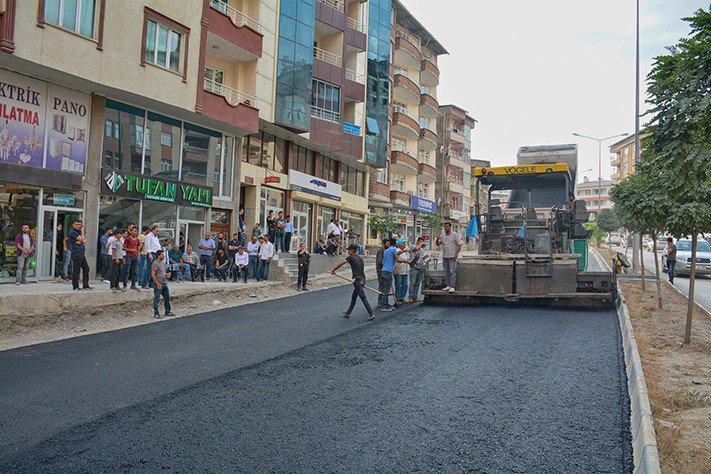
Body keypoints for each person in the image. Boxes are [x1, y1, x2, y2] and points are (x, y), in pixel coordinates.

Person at [331, 244, 375, 321]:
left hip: (357, 280)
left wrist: (333, 270)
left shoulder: (350, 257)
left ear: (352, 250)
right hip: (362, 279)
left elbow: (341, 264)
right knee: (354, 296)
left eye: (348, 250)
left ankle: (371, 313)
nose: (348, 251)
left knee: (362, 297)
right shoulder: (359, 257)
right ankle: (348, 313)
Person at [436, 222, 463, 293]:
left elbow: (460, 245)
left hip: (452, 256)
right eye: (444, 227)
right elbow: (438, 244)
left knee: (452, 271)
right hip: (445, 256)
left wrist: (456, 254)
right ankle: (447, 285)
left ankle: (452, 286)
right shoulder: (443, 236)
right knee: (446, 272)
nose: (445, 228)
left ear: (450, 227)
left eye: (447, 226)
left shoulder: (455, 235)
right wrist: (437, 239)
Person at [67, 220, 91, 290]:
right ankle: (75, 286)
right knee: (76, 270)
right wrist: (82, 233)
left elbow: (83, 241)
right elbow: (84, 240)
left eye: (79, 225)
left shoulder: (77, 232)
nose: (78, 226)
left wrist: (81, 240)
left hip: (81, 253)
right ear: (73, 225)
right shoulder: (73, 232)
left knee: (86, 268)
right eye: (76, 224)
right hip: (76, 253)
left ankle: (85, 285)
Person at [151, 249, 175, 319]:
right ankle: (156, 313)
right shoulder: (155, 263)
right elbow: (153, 275)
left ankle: (167, 311)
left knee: (167, 298)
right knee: (157, 299)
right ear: (158, 255)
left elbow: (161, 272)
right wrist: (157, 284)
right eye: (162, 255)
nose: (163, 256)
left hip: (164, 283)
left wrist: (167, 275)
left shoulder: (162, 263)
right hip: (159, 283)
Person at [408, 237, 428, 302]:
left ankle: (415, 296)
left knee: (417, 283)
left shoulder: (421, 249)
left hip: (420, 268)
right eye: (422, 242)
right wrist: (420, 244)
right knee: (412, 283)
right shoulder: (413, 246)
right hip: (414, 267)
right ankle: (410, 297)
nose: (422, 244)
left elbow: (421, 258)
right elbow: (416, 248)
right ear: (418, 241)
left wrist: (425, 257)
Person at [378, 238, 396, 311]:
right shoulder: (392, 250)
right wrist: (405, 261)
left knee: (386, 289)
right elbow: (397, 259)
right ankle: (383, 306)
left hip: (384, 271)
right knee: (385, 289)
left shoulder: (386, 251)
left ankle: (386, 304)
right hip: (387, 272)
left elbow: (383, 262)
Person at [393, 240, 410, 305]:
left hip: (404, 271)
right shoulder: (396, 250)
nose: (405, 244)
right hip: (398, 271)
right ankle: (397, 299)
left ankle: (401, 298)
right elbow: (397, 254)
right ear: (400, 244)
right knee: (398, 286)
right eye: (403, 243)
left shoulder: (403, 253)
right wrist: (405, 250)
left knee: (405, 286)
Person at [375, 240, 386, 309]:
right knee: (382, 285)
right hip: (381, 271)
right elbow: (380, 262)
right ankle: (380, 301)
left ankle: (384, 301)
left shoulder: (385, 252)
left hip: (385, 271)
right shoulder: (381, 252)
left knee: (385, 286)